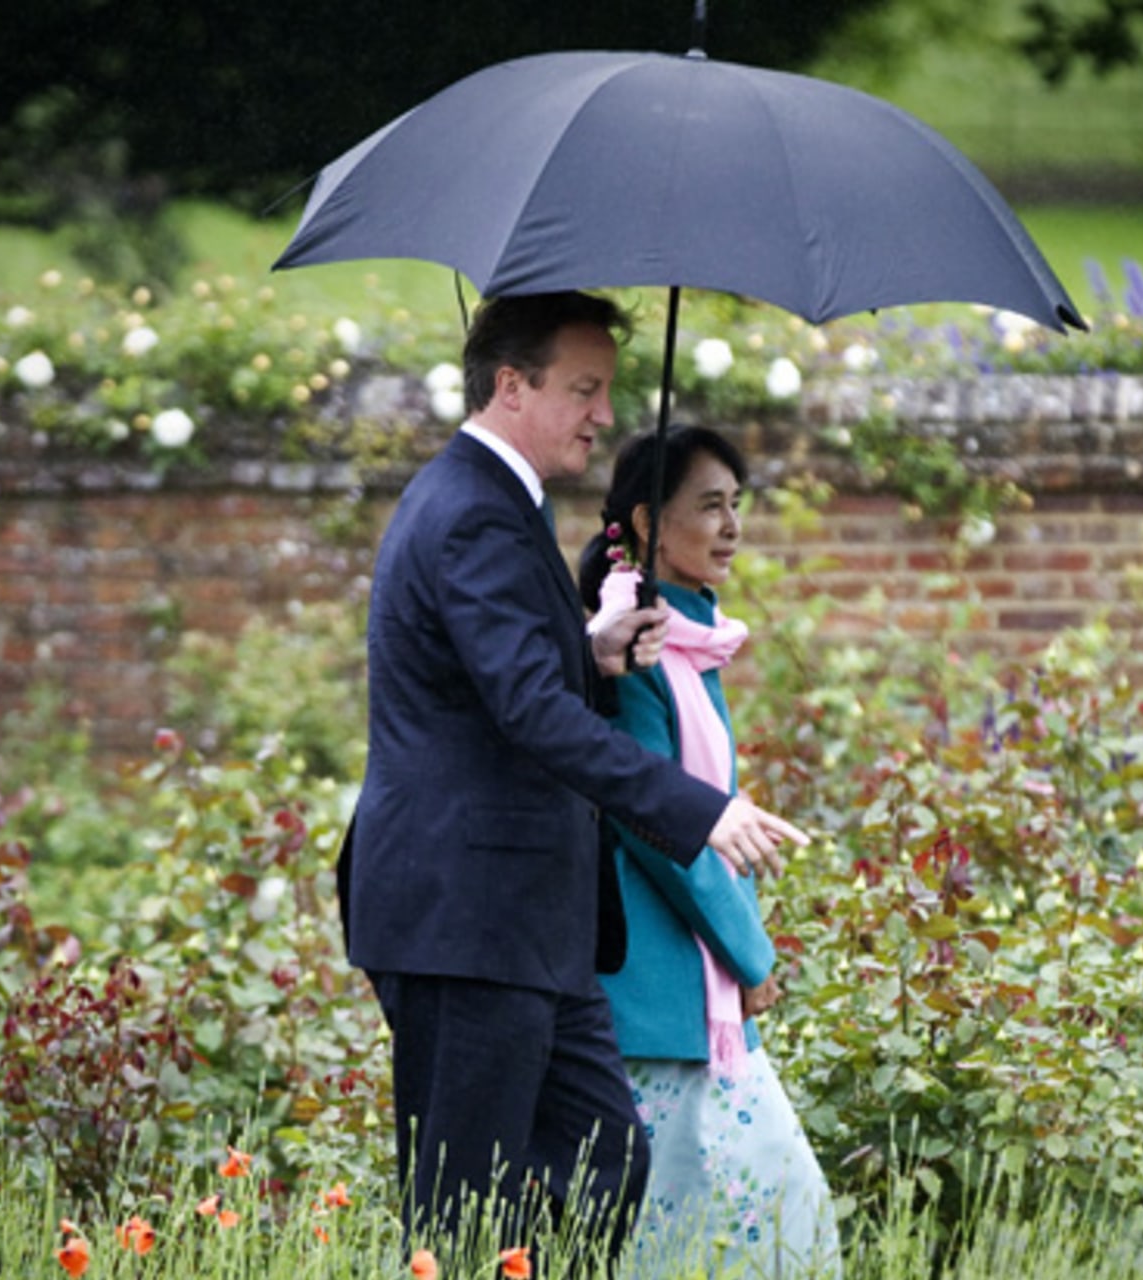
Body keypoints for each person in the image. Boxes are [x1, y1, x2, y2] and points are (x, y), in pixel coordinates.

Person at [336, 292, 809, 1270]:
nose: (603, 414)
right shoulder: (471, 510)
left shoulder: (503, 504)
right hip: (467, 918)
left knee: (606, 1158)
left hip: (531, 926)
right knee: (462, 1214)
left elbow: (505, 675)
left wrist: (587, 649)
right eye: (583, 389)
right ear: (512, 385)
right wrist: (701, 807)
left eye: (608, 390)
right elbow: (530, 715)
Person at [579, 426, 842, 1278]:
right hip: (660, 991)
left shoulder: (687, 641)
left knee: (718, 1229)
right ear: (651, 522)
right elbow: (664, 830)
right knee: (742, 1221)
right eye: (711, 507)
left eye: (738, 506)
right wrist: (750, 953)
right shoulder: (640, 647)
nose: (732, 527)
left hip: (692, 996)